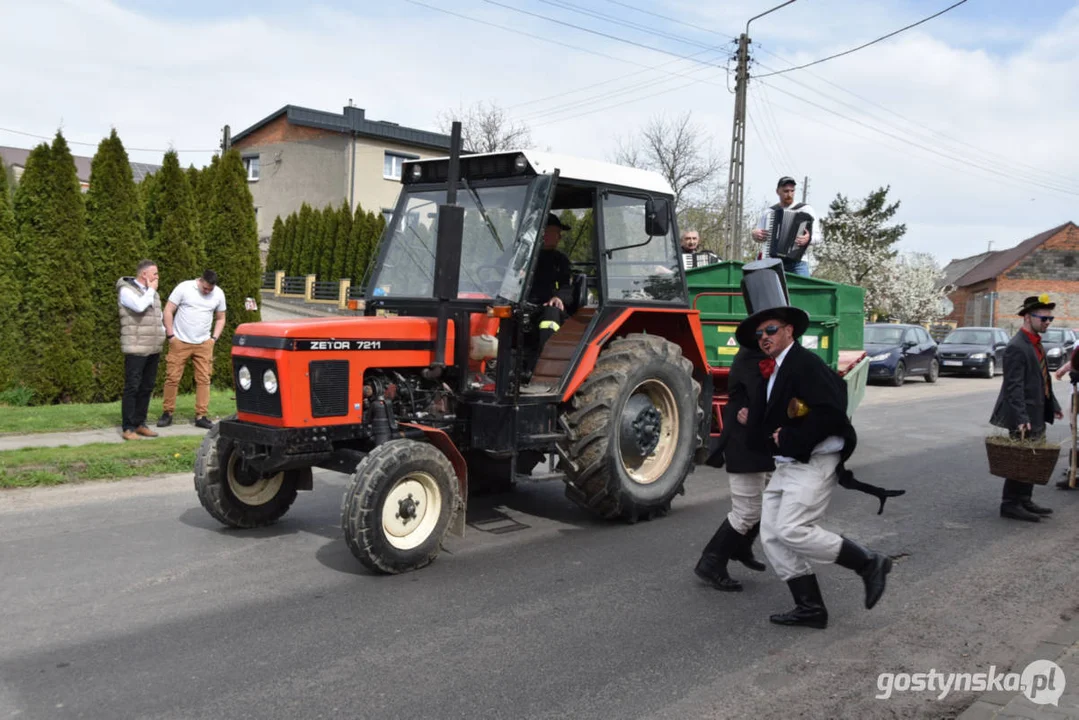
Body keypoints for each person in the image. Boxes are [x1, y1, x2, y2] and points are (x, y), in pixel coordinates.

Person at [737, 260, 893, 629]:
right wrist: (754, 425)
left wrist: (791, 436)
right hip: (788, 465)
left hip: (814, 461)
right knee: (773, 535)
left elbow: (832, 409)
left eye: (771, 330)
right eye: (760, 333)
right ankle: (810, 607)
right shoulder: (773, 370)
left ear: (789, 330)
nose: (764, 337)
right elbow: (770, 419)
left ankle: (869, 563)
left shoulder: (805, 363)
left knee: (792, 529)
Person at [695, 345, 774, 591]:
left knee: (773, 498)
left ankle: (741, 547)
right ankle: (710, 562)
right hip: (745, 444)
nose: (767, 337)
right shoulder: (753, 359)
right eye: (763, 333)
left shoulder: (763, 357)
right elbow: (766, 399)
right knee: (747, 510)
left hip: (763, 444)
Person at [989, 295, 1063, 519]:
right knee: (1020, 458)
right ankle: (1010, 504)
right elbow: (1014, 387)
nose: (1048, 323)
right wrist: (1021, 417)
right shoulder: (1017, 346)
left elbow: (1042, 379)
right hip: (1024, 414)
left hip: (1038, 410)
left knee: (1032, 457)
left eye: (1050, 319)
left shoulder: (1035, 343)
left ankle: (1025, 500)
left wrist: (1054, 404)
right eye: (1044, 318)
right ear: (1028, 317)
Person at [158, 269, 226, 430]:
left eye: (211, 289)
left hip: (204, 344)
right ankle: (167, 413)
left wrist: (213, 339)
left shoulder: (218, 294)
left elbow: (221, 318)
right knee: (172, 378)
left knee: (204, 379)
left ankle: (201, 416)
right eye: (206, 288)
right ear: (201, 281)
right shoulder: (184, 288)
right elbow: (168, 310)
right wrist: (171, 336)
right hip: (179, 341)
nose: (208, 291)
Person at [117, 260, 167, 441]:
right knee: (133, 386)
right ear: (144, 274)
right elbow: (138, 306)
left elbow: (158, 316)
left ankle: (140, 423)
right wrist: (152, 290)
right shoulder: (126, 291)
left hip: (153, 346)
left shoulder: (152, 293)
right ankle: (128, 427)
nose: (157, 277)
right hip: (136, 347)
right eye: (154, 274)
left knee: (147, 386)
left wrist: (162, 333)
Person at [527, 213, 575, 368]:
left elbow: (567, 286)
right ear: (541, 233)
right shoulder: (524, 256)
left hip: (546, 307)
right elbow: (501, 268)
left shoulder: (560, 260)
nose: (559, 237)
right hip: (521, 305)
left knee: (551, 314)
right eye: (555, 233)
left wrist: (559, 298)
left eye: (558, 234)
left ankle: (543, 365)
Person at [750, 176, 819, 277]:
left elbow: (818, 237)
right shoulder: (769, 212)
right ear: (778, 191)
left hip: (798, 262)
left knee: (803, 291)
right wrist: (754, 234)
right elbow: (760, 237)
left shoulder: (806, 210)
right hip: (773, 261)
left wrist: (808, 239)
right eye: (786, 191)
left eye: (792, 191)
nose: (789, 194)